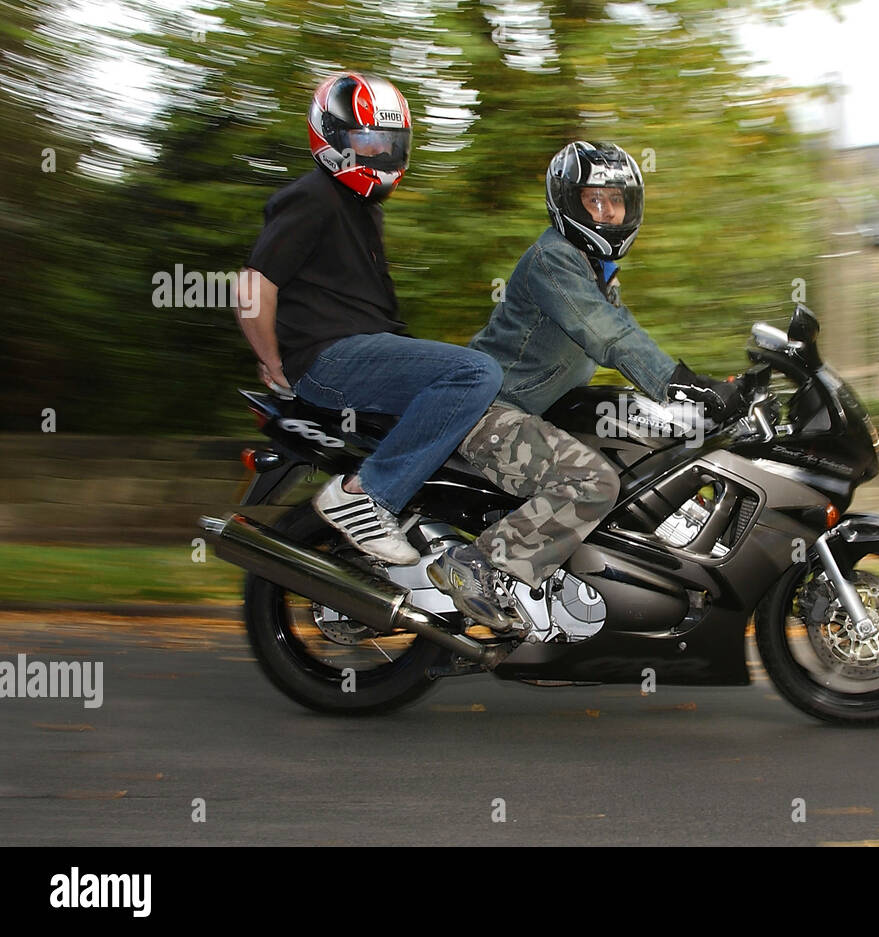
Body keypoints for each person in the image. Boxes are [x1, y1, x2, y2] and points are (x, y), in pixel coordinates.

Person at [427, 140, 742, 630]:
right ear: (567, 203)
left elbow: (629, 335)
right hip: (486, 413)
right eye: (594, 200)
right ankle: (478, 565)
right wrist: (683, 384)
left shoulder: (596, 273)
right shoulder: (553, 258)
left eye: (616, 201)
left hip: (525, 411)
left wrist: (696, 392)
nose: (608, 212)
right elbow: (606, 334)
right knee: (593, 482)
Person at [235, 72, 501, 566]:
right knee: (475, 372)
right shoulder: (313, 196)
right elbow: (253, 284)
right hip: (331, 357)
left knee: (469, 399)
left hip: (353, 350)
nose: (380, 153)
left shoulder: (360, 206)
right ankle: (363, 494)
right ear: (332, 138)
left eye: (389, 141)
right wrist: (272, 362)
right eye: (367, 140)